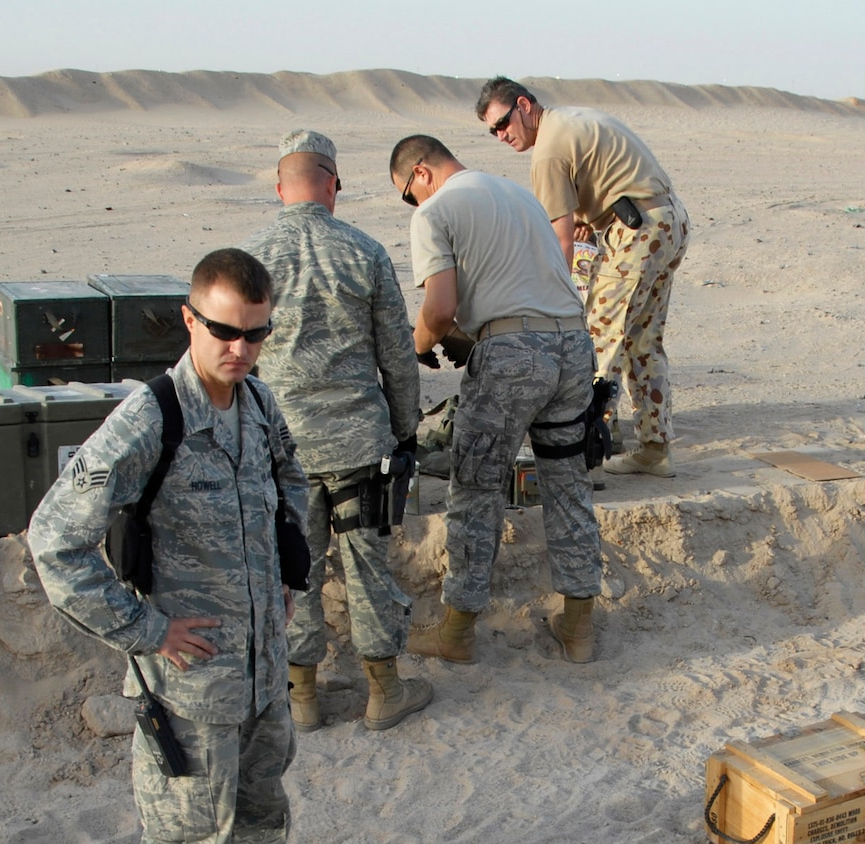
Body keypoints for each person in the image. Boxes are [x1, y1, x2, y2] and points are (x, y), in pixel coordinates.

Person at [28, 248, 336, 844]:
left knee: (260, 808)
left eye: (258, 334)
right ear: (190, 319)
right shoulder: (149, 421)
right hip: (190, 684)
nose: (242, 350)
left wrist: (288, 565)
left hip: (261, 669)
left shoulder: (258, 404)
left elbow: (291, 477)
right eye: (226, 331)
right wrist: (145, 629)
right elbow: (54, 539)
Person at [243, 129, 433, 734]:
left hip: (283, 449)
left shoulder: (251, 260)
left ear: (280, 188)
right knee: (369, 568)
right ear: (333, 185)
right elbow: (398, 356)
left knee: (292, 569)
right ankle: (384, 692)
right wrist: (405, 431)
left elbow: (234, 356)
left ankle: (301, 697)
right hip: (360, 448)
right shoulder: (364, 251)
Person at [388, 134, 605, 664]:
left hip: (512, 356)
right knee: (567, 482)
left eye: (407, 194)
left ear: (420, 173)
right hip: (573, 346)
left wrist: (415, 349)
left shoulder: (435, 211)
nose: (412, 205)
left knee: (476, 485)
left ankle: (456, 632)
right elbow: (523, 282)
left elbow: (438, 310)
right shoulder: (519, 195)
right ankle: (578, 629)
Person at [475, 77, 689, 479]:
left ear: (523, 105)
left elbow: (558, 243)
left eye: (503, 123)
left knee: (593, 343)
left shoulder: (548, 152)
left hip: (637, 233)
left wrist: (551, 301)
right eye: (493, 131)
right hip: (665, 222)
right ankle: (655, 449)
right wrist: (590, 221)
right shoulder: (571, 119)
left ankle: (580, 457)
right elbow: (590, 203)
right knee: (642, 342)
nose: (501, 135)